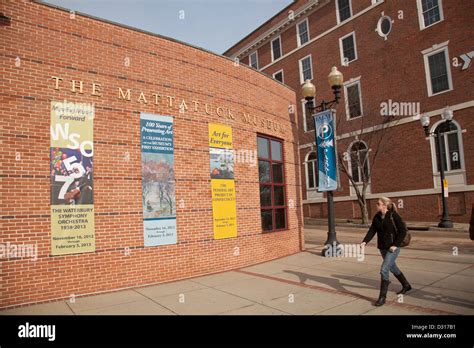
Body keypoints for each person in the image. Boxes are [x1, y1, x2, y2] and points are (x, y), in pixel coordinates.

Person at [361, 197, 412, 306]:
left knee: (384, 269)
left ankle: (382, 297)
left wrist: (395, 245)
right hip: (382, 248)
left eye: (378, 203)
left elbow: (403, 231)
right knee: (393, 267)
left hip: (393, 248)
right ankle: (406, 285)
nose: (376, 205)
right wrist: (364, 242)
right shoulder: (377, 216)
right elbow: (372, 230)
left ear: (384, 205)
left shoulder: (393, 216)